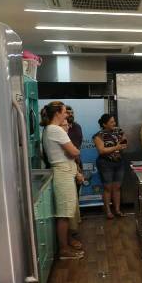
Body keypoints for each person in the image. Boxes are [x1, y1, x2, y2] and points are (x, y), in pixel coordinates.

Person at [41, 101, 84, 260]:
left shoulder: (49, 129)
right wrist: (73, 151)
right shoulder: (56, 130)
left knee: (66, 212)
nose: (67, 115)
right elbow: (74, 151)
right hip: (63, 174)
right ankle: (64, 250)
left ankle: (66, 243)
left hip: (63, 171)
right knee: (64, 214)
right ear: (58, 113)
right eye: (65, 112)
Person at [93, 114, 128, 219]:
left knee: (117, 187)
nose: (114, 124)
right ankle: (108, 210)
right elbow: (101, 150)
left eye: (114, 121)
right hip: (105, 163)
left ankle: (117, 210)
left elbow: (125, 142)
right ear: (104, 124)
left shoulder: (119, 131)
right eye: (111, 122)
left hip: (119, 162)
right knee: (107, 187)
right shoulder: (98, 135)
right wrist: (116, 147)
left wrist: (123, 143)